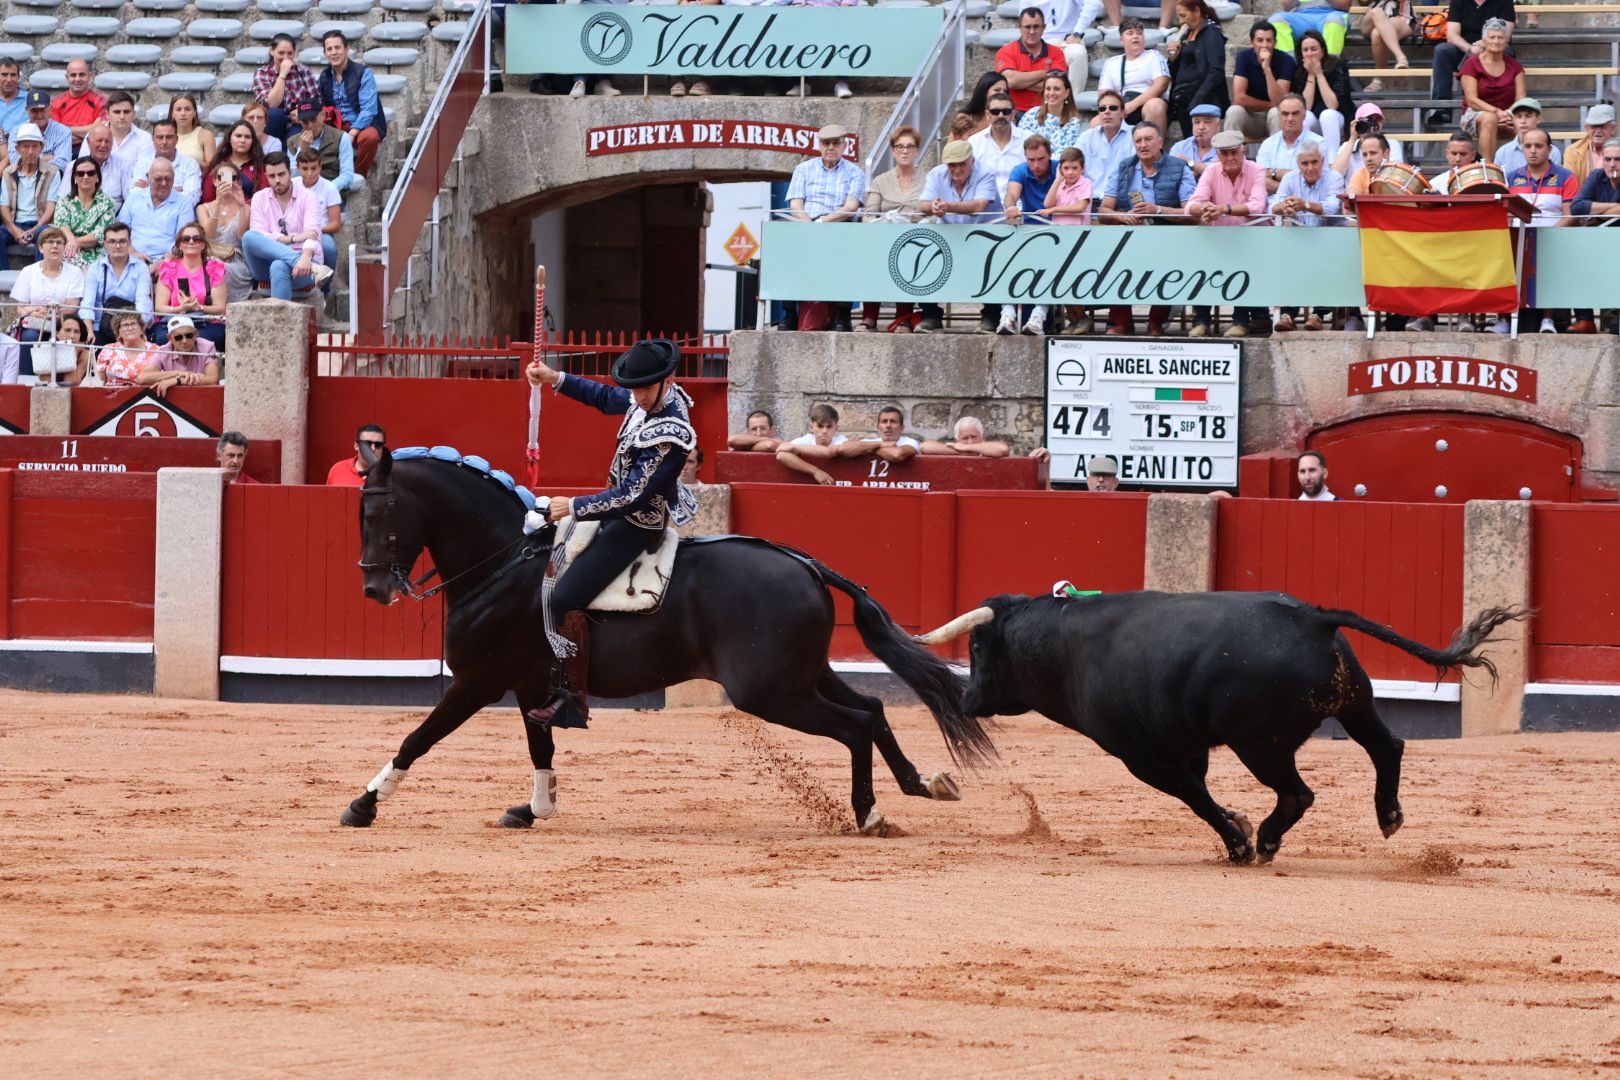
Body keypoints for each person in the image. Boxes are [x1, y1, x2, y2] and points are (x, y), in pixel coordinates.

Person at [522, 339, 697, 729]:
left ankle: (572, 699)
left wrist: (575, 506)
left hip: (636, 524)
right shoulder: (648, 398)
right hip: (614, 510)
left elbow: (633, 496)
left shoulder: (671, 430)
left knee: (563, 597)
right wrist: (556, 379)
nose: (635, 396)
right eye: (633, 387)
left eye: (643, 388)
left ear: (667, 381)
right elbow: (605, 397)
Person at [1101, 122, 1194, 335]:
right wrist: (1124, 216)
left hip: (1167, 236)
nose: (1143, 145)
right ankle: (1122, 322)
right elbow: (1104, 210)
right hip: (1130, 235)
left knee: (1167, 263)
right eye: (1138, 141)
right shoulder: (1124, 167)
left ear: (1160, 142)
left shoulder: (1179, 167)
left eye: (1148, 139)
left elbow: (1191, 212)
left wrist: (1157, 210)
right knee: (1111, 258)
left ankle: (1156, 322)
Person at [1186, 130, 1269, 337]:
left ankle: (1241, 320)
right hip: (1222, 239)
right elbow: (1191, 205)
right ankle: (1201, 320)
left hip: (1253, 239)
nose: (1230, 158)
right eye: (1224, 154)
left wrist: (1222, 209)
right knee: (1201, 261)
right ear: (1218, 155)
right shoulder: (1211, 171)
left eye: (1234, 152)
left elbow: (1257, 206)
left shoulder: (1257, 170)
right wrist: (1205, 209)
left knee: (1242, 261)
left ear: (1243, 151)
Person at [783, 124, 864, 332]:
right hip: (807, 224)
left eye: (836, 143)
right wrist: (810, 224)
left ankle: (843, 315)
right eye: (826, 143)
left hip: (838, 224)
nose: (830, 147)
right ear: (818, 145)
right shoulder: (803, 169)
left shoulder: (854, 172)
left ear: (844, 146)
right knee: (784, 251)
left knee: (846, 252)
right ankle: (789, 313)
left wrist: (824, 222)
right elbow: (795, 205)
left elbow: (851, 207)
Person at [914, 141, 1001, 333]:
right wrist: (933, 207)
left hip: (985, 235)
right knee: (923, 255)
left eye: (962, 163)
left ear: (972, 160)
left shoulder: (985, 172)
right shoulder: (937, 173)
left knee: (993, 262)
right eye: (952, 165)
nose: (957, 169)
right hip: (950, 234)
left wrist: (948, 206)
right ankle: (930, 314)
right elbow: (922, 205)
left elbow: (979, 206)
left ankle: (991, 315)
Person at [1504, 128, 1579, 334]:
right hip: (1518, 237)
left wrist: (1549, 236)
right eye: (1527, 146)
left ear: (1549, 149)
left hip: (1553, 238)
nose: (1533, 151)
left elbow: (1570, 215)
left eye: (1538, 146)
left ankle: (1548, 320)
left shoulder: (1566, 177)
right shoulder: (1511, 177)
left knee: (1548, 257)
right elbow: (1506, 214)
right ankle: (1504, 319)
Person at [1269, 142, 1344, 330]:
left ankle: (1317, 315)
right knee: (1288, 260)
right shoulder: (1289, 179)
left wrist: (1305, 205)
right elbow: (1273, 206)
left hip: (1330, 241)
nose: (1310, 168)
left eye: (1314, 162)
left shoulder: (1334, 177)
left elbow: (1332, 208)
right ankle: (1287, 314)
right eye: (1304, 163)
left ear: (1323, 161)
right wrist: (1284, 206)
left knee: (1328, 261)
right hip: (1299, 242)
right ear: (1298, 163)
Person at [859, 127, 927, 333]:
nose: (905, 151)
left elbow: (931, 212)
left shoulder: (927, 179)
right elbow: (869, 215)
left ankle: (903, 318)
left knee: (910, 260)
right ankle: (869, 317)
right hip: (883, 237)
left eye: (910, 147)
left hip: (914, 239)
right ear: (893, 151)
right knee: (871, 259)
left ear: (917, 151)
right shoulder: (880, 180)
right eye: (900, 147)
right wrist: (882, 226)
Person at [244, 152, 332, 300]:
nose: (277, 180)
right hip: (266, 262)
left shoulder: (308, 197)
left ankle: (281, 321)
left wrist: (305, 259)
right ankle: (314, 269)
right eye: (272, 176)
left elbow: (313, 233)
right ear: (266, 176)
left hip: (305, 265)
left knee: (278, 266)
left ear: (290, 173)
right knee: (249, 237)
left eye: (281, 174)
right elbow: (260, 235)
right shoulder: (259, 197)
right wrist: (292, 239)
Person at [1428, 0, 1517, 129]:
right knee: (1442, 50)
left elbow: (1505, 33)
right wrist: (1470, 49)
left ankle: (1497, 105)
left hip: (1492, 45)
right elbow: (1452, 35)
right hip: (1464, 48)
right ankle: (1442, 108)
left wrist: (1484, 44)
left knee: (1506, 51)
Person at [8, 226, 82, 377]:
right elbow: (20, 308)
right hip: (36, 322)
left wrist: (50, 314)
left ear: (64, 247)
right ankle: (25, 378)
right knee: (29, 337)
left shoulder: (74, 272)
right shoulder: (28, 272)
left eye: (59, 242)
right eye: (49, 242)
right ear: (41, 248)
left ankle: (63, 379)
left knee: (69, 335)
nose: (54, 246)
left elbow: (72, 306)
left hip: (63, 322)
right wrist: (35, 312)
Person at [319, 31, 387, 177]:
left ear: (346, 49)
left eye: (337, 48)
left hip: (362, 125)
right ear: (325, 53)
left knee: (369, 138)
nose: (334, 52)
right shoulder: (324, 77)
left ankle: (357, 176)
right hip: (336, 125)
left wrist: (352, 133)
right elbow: (321, 105)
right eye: (329, 49)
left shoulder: (363, 73)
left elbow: (369, 110)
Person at [153, 223, 228, 349]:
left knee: (207, 338)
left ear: (203, 245)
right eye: (186, 239)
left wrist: (198, 307)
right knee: (163, 338)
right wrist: (180, 308)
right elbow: (160, 307)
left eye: (196, 239)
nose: (191, 242)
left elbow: (220, 308)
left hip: (205, 322)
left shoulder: (213, 268)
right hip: (174, 320)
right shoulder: (169, 267)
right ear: (179, 245)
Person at [1460, 20, 1524, 163]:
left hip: (1507, 114)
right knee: (1489, 119)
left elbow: (1521, 98)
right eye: (1492, 37)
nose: (1496, 41)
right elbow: (1472, 100)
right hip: (1475, 114)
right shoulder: (1471, 64)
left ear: (1506, 41)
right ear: (1484, 40)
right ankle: (1488, 168)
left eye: (1500, 37)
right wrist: (1497, 113)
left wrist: (1508, 114)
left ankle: (1524, 170)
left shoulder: (1515, 66)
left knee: (1525, 122)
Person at [79, 221, 152, 345]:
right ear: (105, 244)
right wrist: (89, 330)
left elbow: (143, 302)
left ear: (129, 243)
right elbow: (87, 304)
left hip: (132, 327)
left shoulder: (141, 268)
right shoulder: (95, 268)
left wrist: (138, 332)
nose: (117, 246)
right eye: (112, 241)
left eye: (122, 241)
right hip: (100, 327)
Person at [1166, 0, 1229, 140]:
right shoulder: (1187, 34)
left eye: (1183, 15)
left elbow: (1216, 71)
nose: (1181, 21)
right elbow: (1180, 70)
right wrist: (1174, 59)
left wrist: (1196, 102)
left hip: (1202, 100)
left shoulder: (1211, 32)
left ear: (1197, 11)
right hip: (1184, 98)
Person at [1097, 18, 1171, 132]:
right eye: (1130, 33)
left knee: (1154, 106)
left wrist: (1132, 105)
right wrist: (1119, 108)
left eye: (1139, 33)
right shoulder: (1111, 62)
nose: (1135, 36)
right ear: (1122, 40)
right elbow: (1104, 93)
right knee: (1095, 122)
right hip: (1122, 104)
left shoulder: (1154, 56)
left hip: (1148, 101)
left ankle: (1156, 148)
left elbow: (1161, 84)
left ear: (1144, 38)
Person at [1225, 22, 1296, 142]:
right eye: (1260, 40)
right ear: (1252, 42)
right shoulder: (1244, 58)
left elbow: (1280, 100)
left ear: (1275, 42)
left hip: (1275, 118)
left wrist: (1267, 68)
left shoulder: (1286, 61)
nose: (1265, 45)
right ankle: (1229, 154)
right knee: (1234, 111)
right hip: (1251, 118)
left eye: (1269, 40)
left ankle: (1276, 157)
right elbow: (1239, 98)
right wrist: (1270, 104)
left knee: (1276, 112)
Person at [2, 123, 60, 267]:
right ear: (17, 149)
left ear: (42, 148)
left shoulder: (52, 172)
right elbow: (3, 205)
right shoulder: (8, 172)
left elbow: (51, 206)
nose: (30, 151)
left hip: (40, 223)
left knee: (47, 236)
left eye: (35, 146)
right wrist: (15, 230)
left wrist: (33, 230)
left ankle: (41, 279)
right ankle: (2, 277)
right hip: (15, 223)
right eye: (25, 147)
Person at [997, 8, 1074, 115]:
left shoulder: (1056, 53)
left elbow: (1056, 87)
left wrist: (1020, 82)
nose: (1032, 31)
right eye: (1027, 27)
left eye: (1036, 26)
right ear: (1019, 27)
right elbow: (1010, 81)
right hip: (1014, 112)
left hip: (1047, 112)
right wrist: (1046, 73)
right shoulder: (1005, 51)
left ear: (1044, 27)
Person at [198, 161, 254, 303]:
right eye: (222, 177)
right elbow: (208, 235)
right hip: (210, 257)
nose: (227, 181)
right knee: (212, 265)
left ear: (238, 181)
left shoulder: (246, 208)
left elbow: (241, 236)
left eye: (233, 178)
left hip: (235, 260)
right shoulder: (203, 208)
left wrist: (242, 206)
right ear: (215, 181)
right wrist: (217, 204)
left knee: (218, 267)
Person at [117, 158, 189, 266]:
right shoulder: (134, 198)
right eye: (158, 179)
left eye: (168, 179)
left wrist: (163, 262)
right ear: (148, 178)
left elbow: (184, 240)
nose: (164, 183)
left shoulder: (183, 203)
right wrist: (133, 253)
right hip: (130, 259)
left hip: (168, 263)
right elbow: (119, 230)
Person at [253, 33, 322, 143]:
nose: (285, 57)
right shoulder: (262, 73)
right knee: (275, 114)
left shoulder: (304, 71)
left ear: (294, 53)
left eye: (289, 53)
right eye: (281, 53)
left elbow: (316, 100)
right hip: (272, 123)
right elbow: (271, 104)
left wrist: (302, 112)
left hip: (297, 122)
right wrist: (283, 74)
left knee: (293, 140)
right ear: (272, 51)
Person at [1294, 29, 1352, 151]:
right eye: (1305, 50)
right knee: (1304, 116)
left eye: (1314, 49)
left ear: (1322, 50)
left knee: (1327, 115)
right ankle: (1306, 157)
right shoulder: (1298, 70)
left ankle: (1332, 163)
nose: (1310, 54)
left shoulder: (1337, 65)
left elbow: (1333, 105)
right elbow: (1306, 107)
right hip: (1315, 120)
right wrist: (1311, 74)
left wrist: (1319, 74)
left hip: (1337, 119)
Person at [1076, 89, 1136, 203]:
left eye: (1113, 108)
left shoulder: (1135, 135)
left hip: (1121, 201)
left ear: (1123, 112)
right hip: (1088, 200)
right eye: (1102, 109)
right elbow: (1071, 163)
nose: (1107, 112)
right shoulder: (1087, 137)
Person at [286, 103, 359, 196]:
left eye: (313, 120)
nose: (310, 125)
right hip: (302, 194)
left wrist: (325, 190)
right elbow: (293, 178)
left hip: (331, 192)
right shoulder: (292, 142)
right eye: (305, 122)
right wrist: (302, 149)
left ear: (322, 116)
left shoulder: (340, 137)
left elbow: (347, 175)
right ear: (300, 122)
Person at [132, 120, 204, 214]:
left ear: (177, 139)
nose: (164, 142)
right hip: (147, 214)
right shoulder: (142, 164)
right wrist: (177, 189)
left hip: (179, 215)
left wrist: (150, 187)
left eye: (169, 137)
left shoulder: (190, 164)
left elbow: (191, 199)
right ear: (153, 140)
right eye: (160, 137)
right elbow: (135, 194)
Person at [137, 315, 220, 396]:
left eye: (189, 335)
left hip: (202, 397)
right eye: (178, 337)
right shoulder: (164, 351)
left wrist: (177, 380)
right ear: (170, 339)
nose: (184, 341)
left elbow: (212, 379)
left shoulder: (207, 346)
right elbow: (142, 378)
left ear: (196, 334)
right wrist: (179, 373)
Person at [1257, 95, 1323, 194]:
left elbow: (1316, 179)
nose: (1290, 118)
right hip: (1273, 205)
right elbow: (1260, 179)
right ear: (1279, 116)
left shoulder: (1319, 143)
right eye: (1285, 114)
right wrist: (1292, 187)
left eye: (1295, 113)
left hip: (1307, 204)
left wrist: (1273, 173)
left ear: (1304, 115)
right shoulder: (1268, 144)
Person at [973, 93, 1031, 205]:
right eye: (995, 112)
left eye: (1006, 111)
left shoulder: (1029, 139)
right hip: (985, 211)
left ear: (1013, 114)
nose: (1000, 116)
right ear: (987, 115)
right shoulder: (974, 142)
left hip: (1022, 209)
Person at [296, 147, 344, 280]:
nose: (309, 173)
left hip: (321, 232)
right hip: (294, 231)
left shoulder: (330, 188)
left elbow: (336, 224)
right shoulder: (292, 185)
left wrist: (314, 230)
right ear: (298, 168)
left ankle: (325, 288)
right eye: (305, 169)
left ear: (320, 166)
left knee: (328, 249)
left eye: (313, 168)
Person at [775, 402, 848, 485]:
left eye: (829, 427)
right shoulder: (807, 439)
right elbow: (781, 455)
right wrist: (815, 471)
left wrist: (795, 448)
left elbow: (827, 451)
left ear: (836, 428)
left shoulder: (841, 440)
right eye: (820, 426)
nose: (824, 431)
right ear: (811, 427)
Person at [66, 122, 132, 208]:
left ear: (112, 144)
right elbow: (64, 199)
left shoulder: (123, 165)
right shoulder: (73, 166)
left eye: (107, 141)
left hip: (114, 219)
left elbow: (129, 200)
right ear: (88, 142)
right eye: (99, 140)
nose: (103, 145)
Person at [1015, 76, 1084, 156]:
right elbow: (1018, 142)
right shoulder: (1032, 114)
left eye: (1057, 89)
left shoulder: (1073, 123)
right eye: (1048, 89)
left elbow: (1066, 154)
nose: (1051, 93)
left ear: (1066, 93)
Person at [1495, 98, 1564, 176]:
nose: (1523, 121)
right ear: (1513, 119)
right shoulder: (1502, 152)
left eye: (1528, 116)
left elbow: (1555, 182)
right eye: (1519, 116)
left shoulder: (1553, 152)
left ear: (1538, 119)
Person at [201, 121, 266, 204]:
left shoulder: (260, 164)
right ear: (229, 139)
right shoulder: (219, 163)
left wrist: (243, 206)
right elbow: (208, 198)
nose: (242, 140)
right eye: (238, 136)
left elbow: (265, 198)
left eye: (247, 137)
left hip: (252, 213)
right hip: (222, 213)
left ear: (253, 141)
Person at [1333, 103, 1405, 177]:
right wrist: (1352, 139)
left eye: (1377, 120)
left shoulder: (1392, 144)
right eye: (1369, 120)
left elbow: (1394, 174)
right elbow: (1335, 176)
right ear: (1358, 124)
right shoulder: (1347, 146)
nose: (1373, 125)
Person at [51, 60, 106, 152]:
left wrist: (65, 129)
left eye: (82, 75)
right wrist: (91, 128)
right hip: (61, 150)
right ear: (67, 77)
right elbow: (54, 137)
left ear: (90, 76)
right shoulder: (56, 103)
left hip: (91, 152)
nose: (77, 79)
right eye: (73, 75)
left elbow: (101, 135)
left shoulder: (100, 102)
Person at [96, 309, 158, 387]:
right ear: (118, 331)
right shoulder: (108, 350)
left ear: (141, 328)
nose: (130, 328)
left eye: (133, 324)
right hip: (111, 395)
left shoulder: (156, 350)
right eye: (125, 325)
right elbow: (100, 381)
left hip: (145, 395)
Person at [1360, 0, 1415, 85]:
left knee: (1377, 34)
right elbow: (1363, 2)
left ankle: (1378, 78)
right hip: (1372, 17)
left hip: (1400, 16)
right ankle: (1401, 57)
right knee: (1376, 11)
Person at [12, 91, 72, 169]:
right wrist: (47, 158)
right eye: (34, 110)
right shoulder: (16, 132)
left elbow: (62, 164)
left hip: (53, 178)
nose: (39, 115)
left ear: (50, 109)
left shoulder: (63, 132)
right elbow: (15, 161)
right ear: (27, 110)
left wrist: (30, 160)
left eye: (42, 110)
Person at [1268, 0, 1351, 56]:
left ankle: (1329, 69)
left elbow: (1345, 5)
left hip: (1331, 14)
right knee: (1276, 20)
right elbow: (1286, 6)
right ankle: (1289, 66)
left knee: (1335, 20)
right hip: (1301, 16)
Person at [100, 92, 153, 177]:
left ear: (134, 115)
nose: (122, 116)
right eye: (117, 112)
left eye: (126, 112)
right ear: (107, 115)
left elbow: (143, 174)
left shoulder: (145, 139)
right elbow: (85, 167)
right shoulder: (93, 136)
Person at [36, 312, 94, 386]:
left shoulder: (85, 354)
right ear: (57, 333)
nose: (72, 336)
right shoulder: (47, 349)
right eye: (67, 330)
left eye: (76, 332)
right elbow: (46, 381)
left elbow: (70, 382)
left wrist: (71, 354)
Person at [1566, 104, 1617, 186]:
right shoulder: (1573, 151)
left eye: (1602, 126)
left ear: (1613, 129)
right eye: (1594, 126)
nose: (1598, 131)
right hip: (1583, 198)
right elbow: (1571, 186)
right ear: (1587, 128)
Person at [919, 415, 1012, 457]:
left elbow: (1003, 449)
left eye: (974, 437)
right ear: (957, 440)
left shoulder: (989, 449)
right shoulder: (956, 449)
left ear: (982, 436)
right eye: (965, 438)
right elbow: (924, 447)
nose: (970, 442)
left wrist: (969, 448)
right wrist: (960, 451)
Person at [1169, 102, 1222, 176]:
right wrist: (1202, 169)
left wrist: (1189, 162)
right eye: (1197, 122)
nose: (1201, 127)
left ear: (1218, 125)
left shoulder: (1226, 148)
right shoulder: (1179, 147)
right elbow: (1172, 175)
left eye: (1207, 122)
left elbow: (1219, 173)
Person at [167, 94, 216, 171]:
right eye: (178, 109)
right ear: (172, 114)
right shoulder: (165, 135)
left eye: (187, 109)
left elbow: (212, 168)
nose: (183, 113)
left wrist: (190, 161)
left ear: (194, 113)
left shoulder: (206, 135)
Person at [0, 59, 25, 142]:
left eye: (13, 75)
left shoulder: (29, 100)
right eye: (4, 75)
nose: (9, 79)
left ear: (18, 77)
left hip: (22, 149)